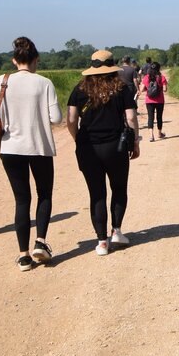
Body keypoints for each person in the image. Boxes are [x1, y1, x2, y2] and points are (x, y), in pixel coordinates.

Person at [0, 36, 62, 271]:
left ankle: (23, 256)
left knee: (22, 199)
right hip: (39, 147)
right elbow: (56, 118)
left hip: (11, 148)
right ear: (36, 60)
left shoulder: (1, 81)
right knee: (44, 194)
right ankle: (40, 242)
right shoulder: (44, 83)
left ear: (15, 60)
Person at [67, 50, 139, 256]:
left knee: (96, 194)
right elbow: (131, 118)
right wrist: (134, 142)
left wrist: (77, 139)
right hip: (115, 146)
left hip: (88, 147)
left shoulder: (79, 89)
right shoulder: (121, 88)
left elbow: (71, 119)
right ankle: (116, 231)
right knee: (118, 188)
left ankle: (101, 242)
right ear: (112, 67)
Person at [139, 62, 168, 141]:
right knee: (159, 117)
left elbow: (141, 89)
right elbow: (165, 90)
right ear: (159, 68)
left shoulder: (146, 77)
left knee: (150, 117)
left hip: (149, 100)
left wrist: (148, 89)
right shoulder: (161, 77)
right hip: (160, 100)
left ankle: (151, 136)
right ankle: (159, 133)